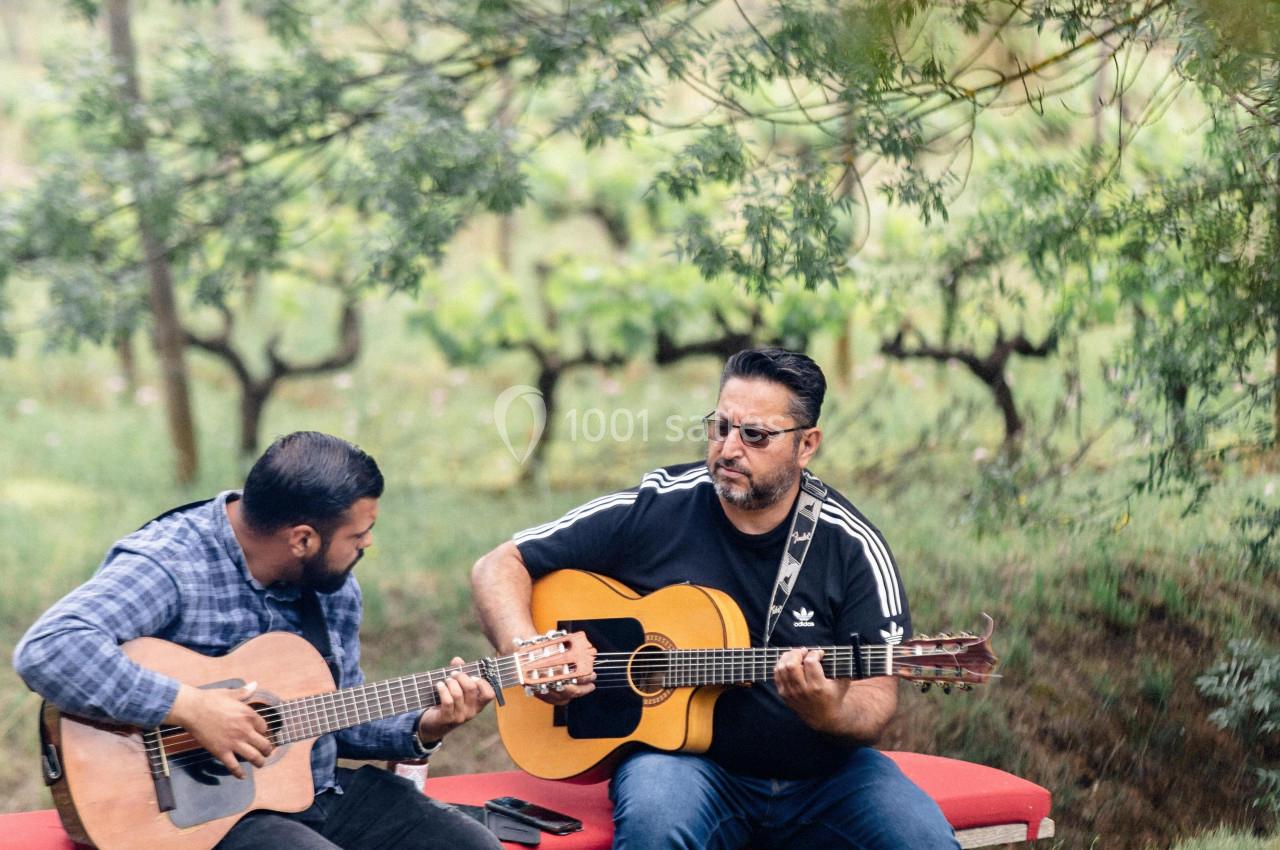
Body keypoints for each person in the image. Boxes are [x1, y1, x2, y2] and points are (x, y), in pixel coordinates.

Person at [471, 348, 959, 850]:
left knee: (924, 841)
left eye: (755, 435)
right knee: (657, 825)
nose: (728, 449)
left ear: (806, 445)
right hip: (683, 765)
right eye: (720, 427)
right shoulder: (658, 505)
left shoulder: (852, 546)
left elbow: (876, 698)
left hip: (827, 778)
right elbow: (499, 565)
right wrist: (529, 653)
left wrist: (828, 712)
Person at [14, 431, 500, 850]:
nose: (367, 543)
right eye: (360, 532)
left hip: (312, 791)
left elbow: (332, 715)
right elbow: (50, 649)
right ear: (303, 539)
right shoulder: (173, 564)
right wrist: (192, 709)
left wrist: (428, 724)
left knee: (471, 844)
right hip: (199, 815)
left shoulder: (332, 586)